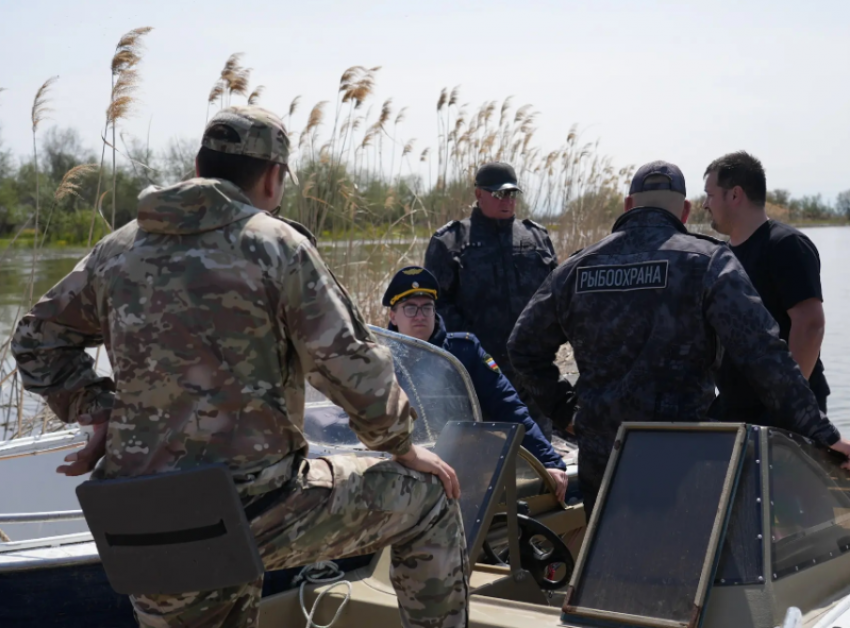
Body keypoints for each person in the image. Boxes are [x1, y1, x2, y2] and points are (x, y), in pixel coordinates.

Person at [12, 106, 468, 628]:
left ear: (199, 166)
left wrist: (100, 413)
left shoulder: (117, 250)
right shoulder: (277, 247)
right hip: (257, 507)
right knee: (430, 497)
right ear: (273, 178)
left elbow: (35, 341)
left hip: (141, 514)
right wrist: (401, 447)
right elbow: (351, 366)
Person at [506, 160, 850, 517]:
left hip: (603, 454)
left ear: (628, 205)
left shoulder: (575, 269)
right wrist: (820, 431)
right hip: (685, 455)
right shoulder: (708, 261)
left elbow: (522, 347)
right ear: (685, 211)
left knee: (608, 555)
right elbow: (763, 353)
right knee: (686, 561)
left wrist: (566, 412)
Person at [382, 266, 569, 502]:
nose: (420, 315)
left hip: (458, 468)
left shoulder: (465, 353)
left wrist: (549, 462)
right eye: (410, 308)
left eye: (426, 307)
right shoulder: (377, 358)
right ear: (393, 316)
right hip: (400, 464)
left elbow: (508, 407)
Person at [424, 162, 558, 438]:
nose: (507, 201)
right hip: (479, 372)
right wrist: (472, 347)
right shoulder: (451, 241)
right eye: (499, 194)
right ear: (478, 194)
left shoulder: (536, 237)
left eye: (512, 194)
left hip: (531, 368)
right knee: (484, 453)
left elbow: (555, 296)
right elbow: (437, 305)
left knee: (539, 447)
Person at [703, 151, 830, 420]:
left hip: (784, 413)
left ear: (735, 195)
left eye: (710, 195)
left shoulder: (785, 245)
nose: (705, 204)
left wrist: (788, 404)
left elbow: (810, 324)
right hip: (733, 407)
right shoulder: (719, 256)